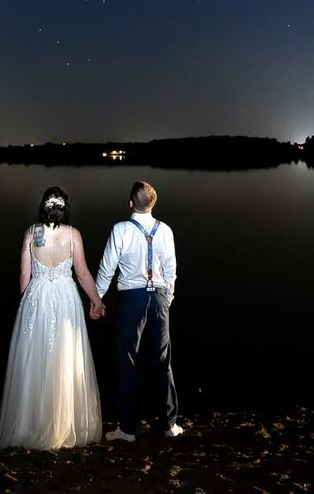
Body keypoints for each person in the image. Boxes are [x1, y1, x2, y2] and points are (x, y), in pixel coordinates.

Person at [0, 185, 105, 450]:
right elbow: (82, 274)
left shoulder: (31, 233)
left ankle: (31, 424)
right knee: (65, 358)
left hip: (38, 296)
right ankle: (63, 424)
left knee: (35, 359)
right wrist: (97, 301)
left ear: (43, 206)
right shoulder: (73, 234)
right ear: (64, 208)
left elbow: (24, 275)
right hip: (65, 298)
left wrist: (27, 302)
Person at [93, 180, 181, 442]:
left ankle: (127, 428)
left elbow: (107, 267)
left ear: (130, 204)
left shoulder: (120, 229)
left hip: (132, 299)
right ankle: (168, 424)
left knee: (127, 360)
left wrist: (97, 300)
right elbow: (171, 269)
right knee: (162, 360)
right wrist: (168, 298)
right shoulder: (165, 230)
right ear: (152, 204)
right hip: (160, 297)